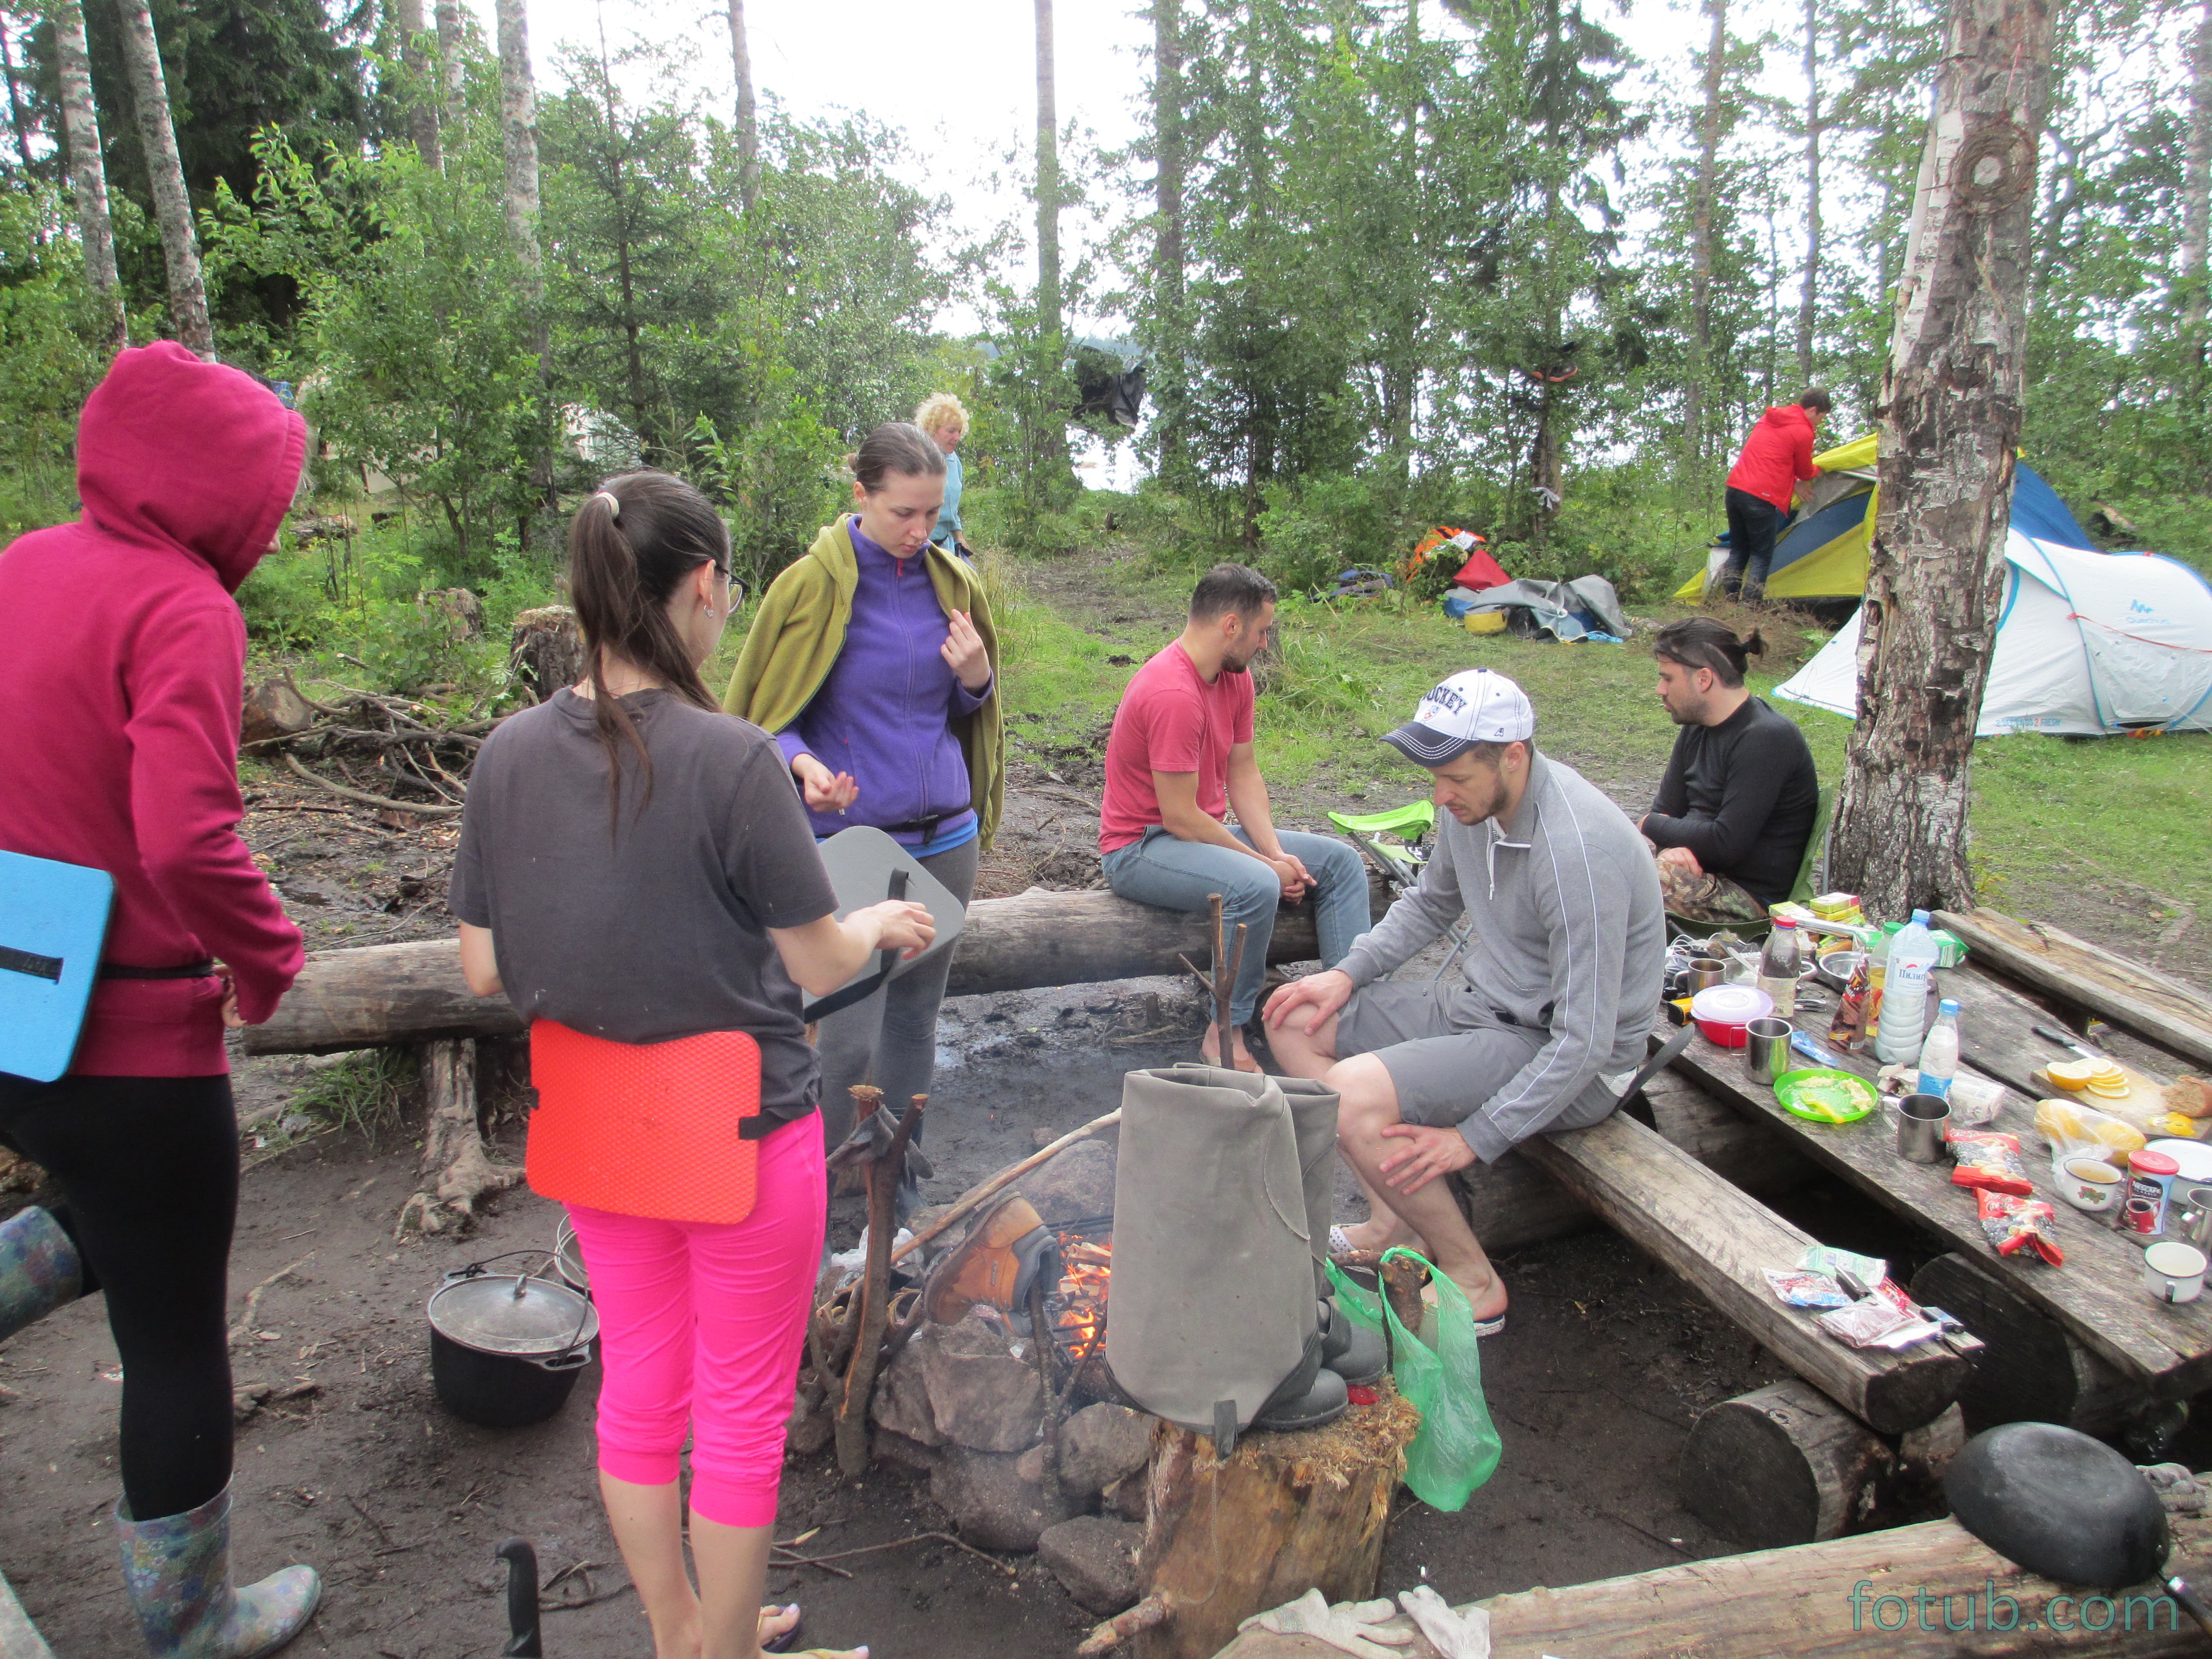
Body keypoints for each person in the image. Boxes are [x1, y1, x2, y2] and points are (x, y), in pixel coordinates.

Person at [451, 470, 932, 1659]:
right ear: (707, 585)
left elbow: (478, 968)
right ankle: (718, 1649)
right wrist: (876, 925)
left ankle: (681, 1629)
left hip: (596, 1131)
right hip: (740, 1138)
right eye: (726, 587)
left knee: (640, 1389)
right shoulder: (732, 759)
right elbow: (818, 959)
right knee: (738, 1412)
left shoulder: (508, 755)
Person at [0, 342, 322, 1658]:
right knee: (177, 1330)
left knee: (101, 1208)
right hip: (134, 1028)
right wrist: (267, 960)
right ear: (218, 492)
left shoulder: (22, 565)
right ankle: (191, 1621)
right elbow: (187, 839)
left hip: (16, 987)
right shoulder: (184, 606)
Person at [1263, 670, 1664, 1332]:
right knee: (1298, 1018)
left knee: (1352, 1097)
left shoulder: (1574, 853)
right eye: (1435, 778)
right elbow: (1431, 901)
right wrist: (1347, 975)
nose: (1441, 796)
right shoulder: (1474, 808)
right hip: (1488, 1008)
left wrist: (1470, 1140)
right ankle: (1398, 1219)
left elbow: (1587, 1041)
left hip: (1570, 1058)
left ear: (1514, 755)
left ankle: (1475, 1279)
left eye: (1456, 778)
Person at [724, 422, 1002, 1199]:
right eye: (902, 513)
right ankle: (811, 1196)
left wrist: (976, 677)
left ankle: (893, 1180)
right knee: (845, 1038)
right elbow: (764, 718)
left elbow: (966, 710)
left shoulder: (950, 581)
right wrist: (803, 767)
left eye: (932, 513)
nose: (919, 532)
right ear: (860, 495)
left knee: (915, 1020)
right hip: (851, 841)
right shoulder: (811, 587)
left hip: (948, 834)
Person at [1100, 564, 1370, 1072]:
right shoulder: (1172, 692)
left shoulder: (1232, 680)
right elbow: (1180, 818)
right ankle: (1225, 1029)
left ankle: (1350, 1016)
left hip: (1197, 835)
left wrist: (1274, 851)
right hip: (1140, 848)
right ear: (1230, 625)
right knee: (1255, 887)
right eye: (1262, 631)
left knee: (1341, 863)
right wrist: (1264, 868)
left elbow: (1243, 773)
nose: (1265, 644)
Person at [1641, 618, 1821, 924]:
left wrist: (1650, 824)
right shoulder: (1696, 730)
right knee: (1610, 863)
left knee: (1628, 878)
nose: (1660, 689)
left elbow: (1725, 845)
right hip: (1693, 877)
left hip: (1749, 899)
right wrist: (1670, 849)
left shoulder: (1766, 737)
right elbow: (1665, 812)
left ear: (1704, 679)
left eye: (1668, 679)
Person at [1720, 388, 1831, 601]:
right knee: (1761, 554)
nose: (1819, 423)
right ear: (1814, 410)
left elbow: (1774, 458)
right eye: (1821, 417)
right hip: (1761, 496)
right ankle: (1750, 607)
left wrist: (1794, 482)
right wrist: (1821, 470)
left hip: (1735, 489)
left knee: (1739, 549)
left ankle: (1730, 603)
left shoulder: (1769, 419)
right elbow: (1805, 471)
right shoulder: (1803, 431)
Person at [915, 392, 972, 560]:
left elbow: (951, 509)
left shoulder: (955, 462)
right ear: (932, 429)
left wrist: (959, 536)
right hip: (920, 546)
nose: (957, 437)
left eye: (960, 431)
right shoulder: (917, 459)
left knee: (969, 582)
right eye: (951, 431)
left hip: (946, 546)